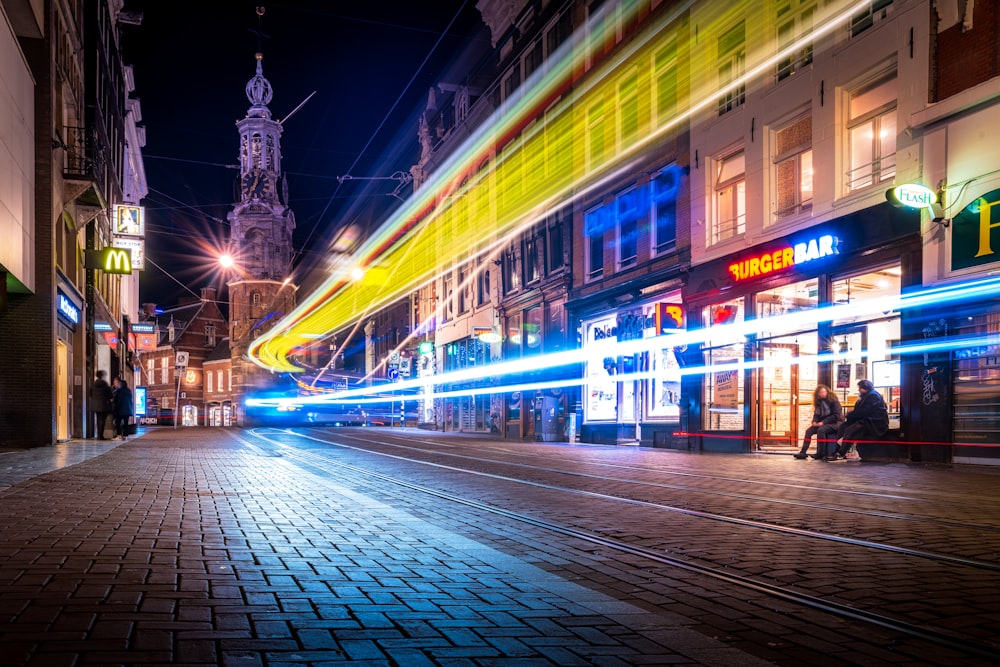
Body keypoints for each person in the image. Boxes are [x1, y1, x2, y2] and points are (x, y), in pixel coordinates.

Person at [829, 379, 889, 460]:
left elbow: (865, 411)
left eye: (860, 388)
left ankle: (841, 453)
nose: (859, 390)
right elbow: (860, 411)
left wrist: (850, 415)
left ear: (865, 388)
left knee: (850, 430)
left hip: (873, 421)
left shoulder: (873, 396)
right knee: (843, 427)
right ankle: (838, 450)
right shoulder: (866, 396)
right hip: (866, 419)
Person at [794, 384, 843, 459]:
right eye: (820, 392)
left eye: (824, 392)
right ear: (818, 394)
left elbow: (836, 415)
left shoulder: (834, 401)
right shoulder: (819, 402)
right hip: (823, 422)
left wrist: (823, 422)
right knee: (809, 431)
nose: (822, 394)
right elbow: (816, 414)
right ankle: (803, 452)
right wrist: (814, 421)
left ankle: (821, 453)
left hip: (835, 423)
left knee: (821, 430)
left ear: (827, 392)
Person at [90, 370, 113, 439]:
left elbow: (90, 394)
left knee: (98, 419)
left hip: (95, 405)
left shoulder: (93, 384)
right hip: (103, 404)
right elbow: (110, 395)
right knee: (102, 420)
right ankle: (100, 435)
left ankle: (98, 434)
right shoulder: (105, 384)